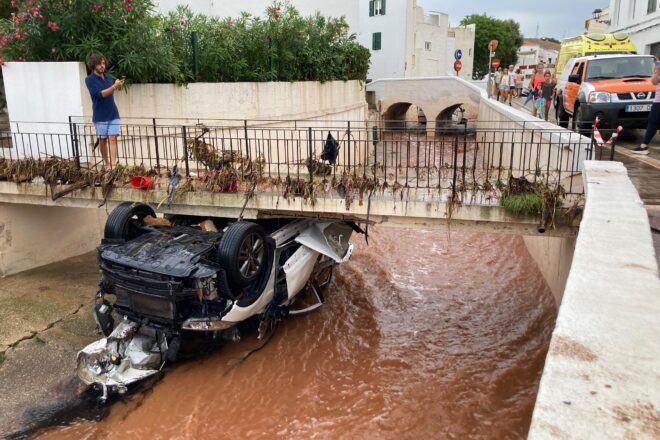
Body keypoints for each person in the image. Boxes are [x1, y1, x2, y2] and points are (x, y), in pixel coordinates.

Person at [84, 52, 124, 170]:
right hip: (100, 115)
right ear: (93, 65)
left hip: (113, 113)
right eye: (99, 63)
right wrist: (114, 87)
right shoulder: (89, 80)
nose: (102, 65)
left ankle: (113, 164)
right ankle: (106, 163)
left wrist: (115, 86)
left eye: (103, 63)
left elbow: (109, 92)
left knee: (112, 137)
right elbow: (100, 94)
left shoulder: (108, 78)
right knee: (103, 140)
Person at [632, 62, 660, 155]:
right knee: (652, 121)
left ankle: (644, 145)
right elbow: (654, 82)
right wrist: (657, 73)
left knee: (653, 121)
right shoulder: (659, 67)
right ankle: (644, 145)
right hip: (658, 100)